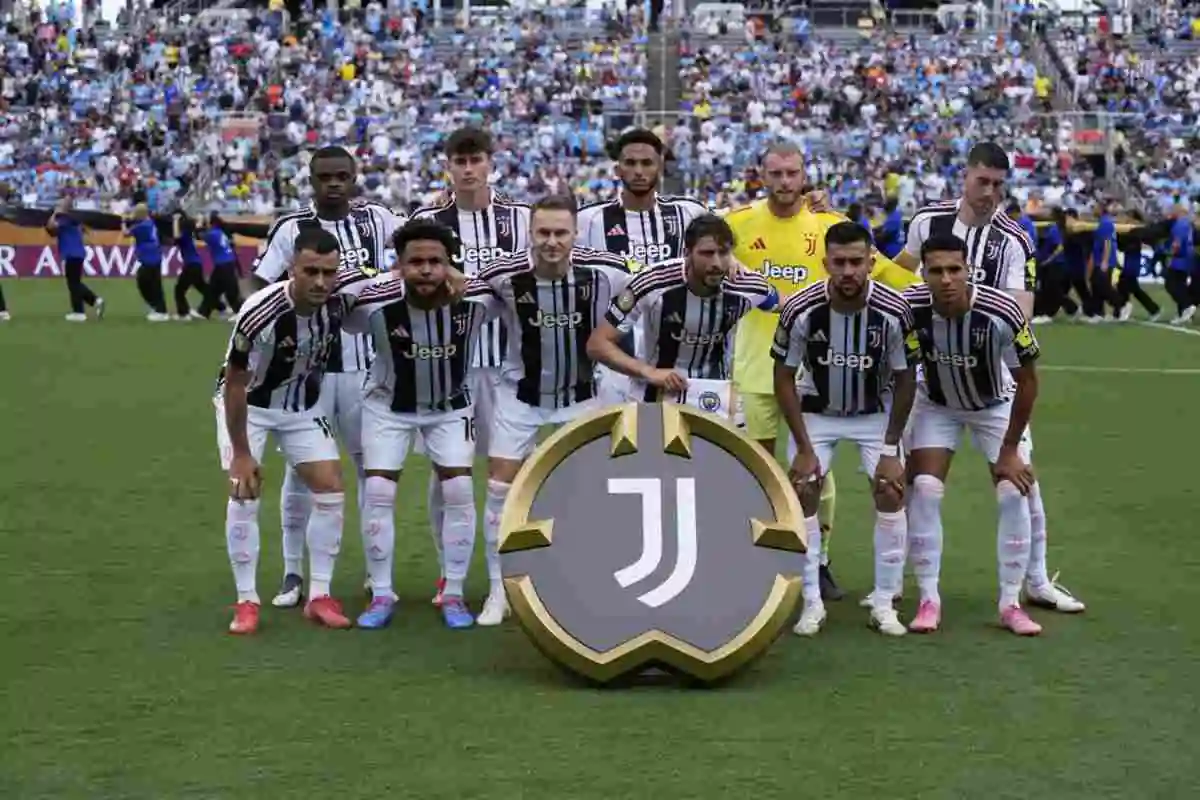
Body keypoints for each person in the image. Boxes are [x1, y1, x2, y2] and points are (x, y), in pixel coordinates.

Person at [726, 140, 919, 602]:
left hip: (813, 376)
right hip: (754, 370)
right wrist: (728, 261)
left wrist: (944, 293)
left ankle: (821, 560)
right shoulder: (739, 223)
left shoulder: (830, 226)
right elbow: (697, 242)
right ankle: (759, 562)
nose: (785, 182)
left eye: (792, 173)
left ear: (805, 174)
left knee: (815, 476)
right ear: (762, 175)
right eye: (776, 174)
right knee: (755, 472)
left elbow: (890, 276)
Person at [896, 142, 1083, 616]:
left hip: (994, 380)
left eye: (999, 185)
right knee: (921, 484)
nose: (990, 193)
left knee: (1021, 482)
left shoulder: (1015, 239)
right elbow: (897, 278)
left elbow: (1019, 315)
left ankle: (1036, 582)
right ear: (966, 176)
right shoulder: (927, 222)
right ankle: (903, 580)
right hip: (932, 380)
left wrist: (977, 321)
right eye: (983, 182)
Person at [248, 145, 407, 608]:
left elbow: (420, 245)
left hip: (368, 372)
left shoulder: (379, 220)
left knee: (370, 472)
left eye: (342, 175)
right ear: (312, 181)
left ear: (355, 177)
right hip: (306, 373)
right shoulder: (291, 229)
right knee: (301, 475)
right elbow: (260, 288)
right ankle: (293, 573)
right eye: (325, 177)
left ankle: (378, 575)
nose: (334, 183)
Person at [474, 194, 634, 625]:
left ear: (575, 233)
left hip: (580, 398)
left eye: (560, 232)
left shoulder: (606, 272)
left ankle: (586, 581)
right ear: (530, 233)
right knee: (498, 492)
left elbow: (652, 283)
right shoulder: (502, 275)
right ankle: (498, 590)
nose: (551, 241)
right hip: (519, 398)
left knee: (590, 492)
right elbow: (459, 287)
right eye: (543, 232)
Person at [216, 227, 370, 634]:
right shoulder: (260, 312)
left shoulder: (340, 299)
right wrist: (242, 452)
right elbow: (233, 384)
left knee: (331, 489)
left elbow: (390, 280)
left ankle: (319, 595)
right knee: (245, 491)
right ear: (291, 269)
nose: (321, 282)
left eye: (328, 272)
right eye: (311, 272)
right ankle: (246, 600)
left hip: (301, 405)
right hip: (251, 406)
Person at [771, 222, 917, 638]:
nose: (849, 270)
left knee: (891, 490)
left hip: (875, 412)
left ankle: (885, 603)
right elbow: (782, 376)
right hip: (818, 410)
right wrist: (802, 446)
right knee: (802, 488)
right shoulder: (800, 308)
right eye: (840, 262)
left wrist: (891, 448)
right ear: (825, 264)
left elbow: (906, 380)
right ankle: (812, 603)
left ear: (871, 262)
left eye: (857, 262)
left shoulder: (894, 310)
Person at [901, 233, 1046, 636]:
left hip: (996, 405)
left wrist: (1011, 449)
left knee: (1013, 490)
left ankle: (1011, 603)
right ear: (923, 273)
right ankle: (929, 599)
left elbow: (1029, 381)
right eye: (936, 271)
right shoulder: (909, 307)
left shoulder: (1002, 312)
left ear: (968, 270)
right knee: (925, 488)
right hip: (937, 404)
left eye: (954, 270)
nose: (946, 279)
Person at [342, 220, 483, 630]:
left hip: (450, 406)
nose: (425, 270)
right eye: (415, 261)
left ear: (449, 264)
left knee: (457, 489)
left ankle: (453, 592)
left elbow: (510, 280)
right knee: (379, 491)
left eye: (435, 261)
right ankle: (382, 592)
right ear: (398, 266)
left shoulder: (475, 296)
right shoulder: (374, 300)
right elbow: (340, 294)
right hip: (388, 406)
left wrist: (466, 278)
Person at [411, 127, 531, 608]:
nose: (467, 169)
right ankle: (449, 572)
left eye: (475, 160)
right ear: (447, 165)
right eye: (458, 161)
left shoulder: (521, 219)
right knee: (449, 473)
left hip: (511, 366)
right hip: (448, 367)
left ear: (490, 163)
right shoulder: (427, 221)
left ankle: (517, 575)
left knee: (515, 474)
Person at [576, 128, 711, 407]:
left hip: (678, 359)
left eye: (647, 163)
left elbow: (730, 248)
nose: (639, 171)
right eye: (630, 163)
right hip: (614, 362)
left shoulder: (689, 213)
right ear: (618, 169)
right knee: (616, 446)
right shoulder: (589, 220)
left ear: (660, 167)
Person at [586, 214, 778, 408]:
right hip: (652, 396)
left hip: (714, 399)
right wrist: (649, 372)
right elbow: (597, 344)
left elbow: (791, 307)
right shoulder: (651, 282)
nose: (717, 263)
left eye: (723, 252)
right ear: (687, 253)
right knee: (649, 438)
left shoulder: (748, 286)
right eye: (707, 253)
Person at [47, 197, 104, 321]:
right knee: (75, 282)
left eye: (60, 203)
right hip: (78, 253)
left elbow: (51, 226)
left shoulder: (64, 219)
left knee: (73, 283)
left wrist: (54, 213)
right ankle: (91, 303)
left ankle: (81, 311)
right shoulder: (75, 219)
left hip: (70, 253)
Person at [123, 205, 169, 322]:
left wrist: (123, 222)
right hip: (155, 255)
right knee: (155, 284)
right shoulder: (150, 223)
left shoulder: (141, 226)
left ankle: (158, 309)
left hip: (148, 258)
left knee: (143, 282)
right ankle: (160, 309)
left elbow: (126, 233)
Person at [1115, 210, 1161, 323]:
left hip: (1131, 263)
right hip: (1128, 262)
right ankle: (1153, 309)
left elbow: (1127, 245)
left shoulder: (1137, 231)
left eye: (1126, 217)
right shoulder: (1129, 230)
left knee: (1125, 286)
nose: (1124, 219)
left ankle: (1123, 309)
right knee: (1133, 289)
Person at [199, 214, 244, 320]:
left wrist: (200, 225)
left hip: (224, 265)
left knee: (230, 291)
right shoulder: (220, 232)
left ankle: (240, 312)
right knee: (212, 289)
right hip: (226, 264)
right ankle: (204, 312)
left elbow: (199, 235)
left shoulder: (213, 234)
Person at [1086, 198, 1121, 323]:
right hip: (1098, 260)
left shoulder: (1105, 223)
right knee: (1096, 286)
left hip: (1103, 261)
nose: (1093, 210)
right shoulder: (1102, 222)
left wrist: (1105, 261)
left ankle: (1120, 305)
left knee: (1103, 287)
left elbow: (1107, 243)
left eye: (1095, 207)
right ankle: (1098, 313)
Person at [173, 212, 209, 320]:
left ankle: (184, 314)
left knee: (179, 290)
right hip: (197, 264)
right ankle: (221, 307)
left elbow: (175, 236)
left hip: (191, 265)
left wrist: (175, 220)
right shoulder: (190, 234)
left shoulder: (184, 235)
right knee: (202, 288)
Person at [1165, 205, 1195, 325]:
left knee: (1171, 284)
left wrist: (1170, 255)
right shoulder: (1187, 224)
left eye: (1173, 210)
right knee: (1181, 285)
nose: (1171, 212)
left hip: (1179, 260)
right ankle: (1183, 314)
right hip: (1188, 259)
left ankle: (1187, 306)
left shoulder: (1179, 225)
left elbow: (1176, 243)